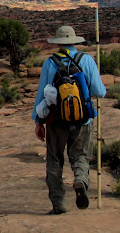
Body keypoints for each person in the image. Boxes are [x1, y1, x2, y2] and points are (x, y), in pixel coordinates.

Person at [32, 25, 106, 215]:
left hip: (56, 121)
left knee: (54, 160)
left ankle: (58, 205)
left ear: (58, 43)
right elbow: (99, 92)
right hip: (82, 120)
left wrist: (38, 121)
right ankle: (80, 180)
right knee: (80, 156)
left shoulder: (50, 63)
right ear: (75, 41)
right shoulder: (87, 60)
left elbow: (41, 94)